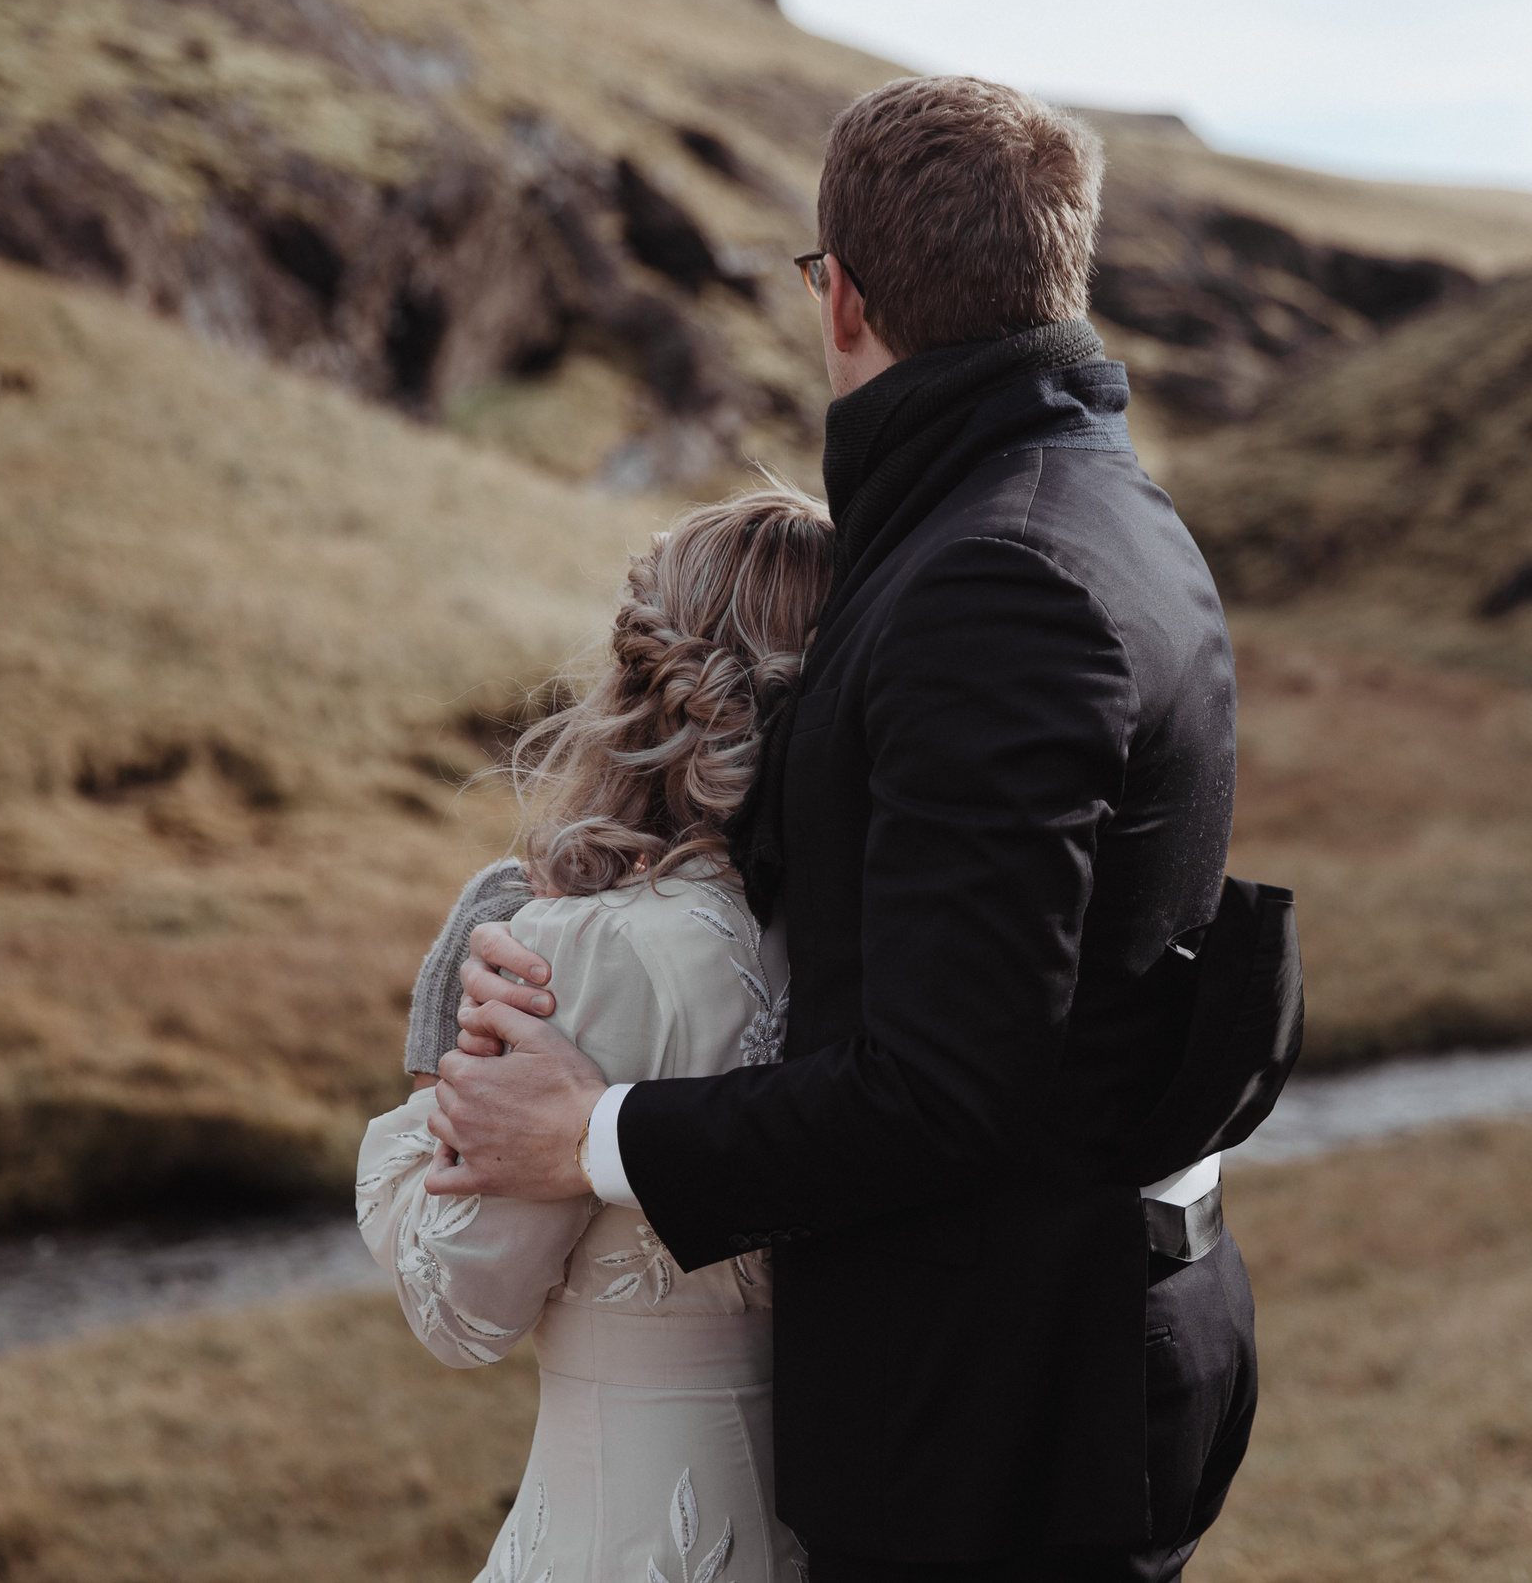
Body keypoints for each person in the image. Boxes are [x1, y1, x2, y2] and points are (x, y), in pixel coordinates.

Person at [425, 76, 1257, 1580]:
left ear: (846, 298)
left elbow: (949, 1081)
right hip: (1060, 1369)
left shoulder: (995, 579)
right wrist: (532, 919)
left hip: (1002, 1419)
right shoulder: (1110, 517)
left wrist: (590, 1129)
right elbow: (928, 895)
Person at [362, 486, 832, 1583]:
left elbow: (463, 1309)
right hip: (824, 1519)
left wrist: (429, 1089)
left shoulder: (589, 951)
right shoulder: (863, 943)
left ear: (639, 688)